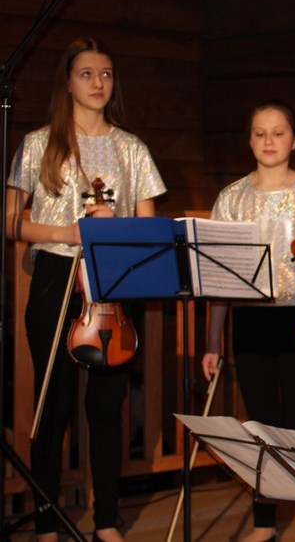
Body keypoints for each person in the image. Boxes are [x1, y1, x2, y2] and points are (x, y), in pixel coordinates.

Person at [6, 37, 166, 542]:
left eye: (106, 74)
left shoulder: (132, 148)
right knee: (52, 405)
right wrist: (67, 232)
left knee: (105, 406)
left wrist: (115, 226)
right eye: (87, 74)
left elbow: (150, 228)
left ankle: (106, 522)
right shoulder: (39, 143)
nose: (98, 83)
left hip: (113, 280)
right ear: (68, 82)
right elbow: (9, 221)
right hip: (57, 276)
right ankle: (47, 522)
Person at [201, 99, 295, 542]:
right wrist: (213, 341)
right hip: (250, 322)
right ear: (249, 141)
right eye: (260, 134)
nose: (269, 141)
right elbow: (219, 280)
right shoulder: (231, 198)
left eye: (278, 133)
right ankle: (265, 524)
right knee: (259, 424)